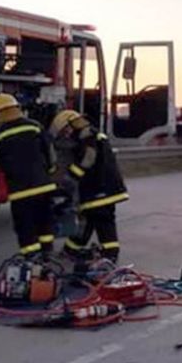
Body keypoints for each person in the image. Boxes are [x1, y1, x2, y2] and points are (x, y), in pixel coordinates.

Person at [51, 110, 129, 262]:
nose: (66, 134)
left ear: (72, 124)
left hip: (100, 189)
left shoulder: (87, 134)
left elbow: (89, 158)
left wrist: (72, 176)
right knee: (87, 220)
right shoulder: (90, 134)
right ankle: (70, 250)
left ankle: (110, 255)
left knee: (103, 222)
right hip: (101, 188)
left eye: (66, 130)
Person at [0, 93, 58, 257]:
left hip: (21, 191)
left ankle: (31, 259)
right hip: (44, 186)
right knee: (44, 223)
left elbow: (2, 163)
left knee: (25, 227)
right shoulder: (34, 126)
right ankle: (47, 255)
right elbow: (50, 153)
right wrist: (48, 172)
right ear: (17, 108)